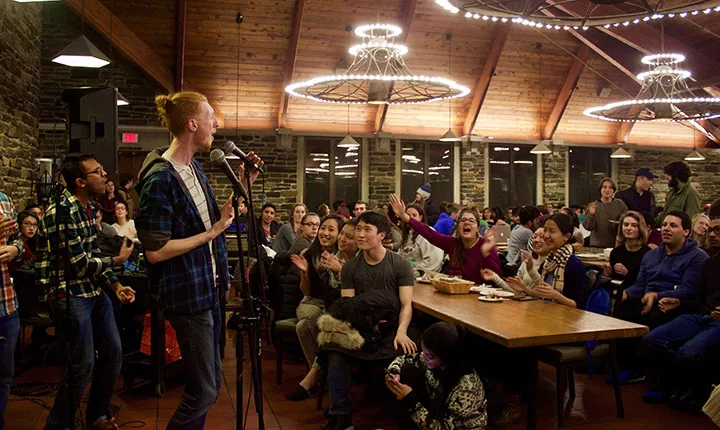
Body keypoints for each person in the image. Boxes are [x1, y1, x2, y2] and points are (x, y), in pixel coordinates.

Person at [135, 91, 263, 429]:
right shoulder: (160, 177)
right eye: (210, 117)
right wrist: (213, 232)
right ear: (192, 123)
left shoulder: (194, 169)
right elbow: (155, 251)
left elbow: (213, 221)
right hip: (188, 297)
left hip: (210, 289)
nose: (216, 124)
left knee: (208, 382)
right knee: (205, 390)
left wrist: (244, 183)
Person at [36, 155, 136, 430]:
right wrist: (117, 260)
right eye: (97, 171)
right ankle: (57, 425)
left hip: (92, 290)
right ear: (80, 182)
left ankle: (96, 416)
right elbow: (79, 265)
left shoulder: (89, 209)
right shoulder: (61, 212)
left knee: (114, 353)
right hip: (67, 293)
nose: (105, 175)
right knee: (83, 363)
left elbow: (93, 254)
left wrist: (115, 285)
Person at [319, 211, 417, 430]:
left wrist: (402, 331)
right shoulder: (352, 267)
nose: (360, 235)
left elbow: (406, 305)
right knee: (333, 352)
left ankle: (405, 415)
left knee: (407, 350)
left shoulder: (400, 264)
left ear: (381, 235)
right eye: (359, 229)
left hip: (391, 327)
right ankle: (341, 414)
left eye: (366, 230)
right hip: (361, 326)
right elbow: (349, 306)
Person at [641, 216, 720, 410]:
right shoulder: (710, 264)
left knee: (689, 352)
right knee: (652, 338)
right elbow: (698, 298)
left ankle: (699, 393)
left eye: (718, 230)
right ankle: (672, 382)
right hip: (701, 316)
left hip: (717, 322)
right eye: (710, 230)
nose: (712, 234)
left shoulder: (698, 257)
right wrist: (678, 301)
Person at [286, 216, 346, 400]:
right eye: (323, 228)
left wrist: (338, 269)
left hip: (331, 305)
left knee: (301, 327)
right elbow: (307, 291)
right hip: (311, 302)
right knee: (312, 314)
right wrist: (305, 274)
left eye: (331, 230)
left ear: (339, 234)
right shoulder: (311, 253)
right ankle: (324, 376)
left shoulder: (341, 255)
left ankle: (317, 378)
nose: (325, 233)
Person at [385, 322, 487, 429]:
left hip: (456, 427)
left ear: (447, 358)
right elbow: (404, 359)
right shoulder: (435, 360)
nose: (424, 358)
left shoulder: (466, 389)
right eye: (423, 352)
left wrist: (412, 402)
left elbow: (442, 428)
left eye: (429, 356)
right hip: (437, 411)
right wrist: (394, 371)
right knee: (406, 370)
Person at [620, 211, 709, 329]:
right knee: (619, 310)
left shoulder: (697, 256)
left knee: (652, 318)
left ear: (686, 232)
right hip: (645, 300)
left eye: (673, 225)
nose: (666, 229)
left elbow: (688, 289)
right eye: (664, 225)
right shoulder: (651, 255)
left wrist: (656, 295)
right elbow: (640, 285)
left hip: (672, 305)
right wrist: (626, 293)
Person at [391, 194, 501, 284]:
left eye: (471, 221)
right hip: (455, 293)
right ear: (458, 226)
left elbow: (497, 278)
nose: (467, 222)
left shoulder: (485, 245)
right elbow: (429, 233)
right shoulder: (453, 243)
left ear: (477, 228)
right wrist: (405, 217)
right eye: (463, 220)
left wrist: (486, 254)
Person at [526, 213, 588, 308]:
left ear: (566, 237)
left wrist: (556, 295)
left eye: (552, 231)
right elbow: (543, 294)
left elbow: (579, 305)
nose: (546, 235)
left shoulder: (573, 264)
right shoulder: (548, 261)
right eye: (545, 230)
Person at [0, 191, 24, 430]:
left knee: (4, 375)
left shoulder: (4, 200)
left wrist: (16, 249)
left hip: (6, 301)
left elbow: (17, 237)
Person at [482, 228, 550, 295]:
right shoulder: (528, 261)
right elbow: (517, 291)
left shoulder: (551, 264)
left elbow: (543, 293)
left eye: (541, 237)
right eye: (534, 237)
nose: (536, 240)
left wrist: (530, 271)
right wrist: (495, 277)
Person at [606, 211, 651, 288]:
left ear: (640, 228)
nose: (629, 228)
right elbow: (614, 280)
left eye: (634, 225)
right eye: (626, 225)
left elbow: (647, 281)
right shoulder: (616, 252)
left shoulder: (648, 253)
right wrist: (607, 274)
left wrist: (628, 274)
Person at [582, 178, 628, 248]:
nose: (607, 190)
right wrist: (591, 215)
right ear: (600, 189)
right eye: (604, 187)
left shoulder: (620, 204)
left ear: (613, 190)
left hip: (616, 244)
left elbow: (627, 220)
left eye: (610, 187)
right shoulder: (593, 205)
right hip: (597, 245)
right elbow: (588, 227)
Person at [398, 204, 444, 273]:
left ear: (420, 217)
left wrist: (416, 272)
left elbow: (434, 260)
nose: (411, 218)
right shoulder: (408, 234)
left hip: (423, 276)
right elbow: (400, 255)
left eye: (414, 215)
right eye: (408, 215)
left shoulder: (427, 233)